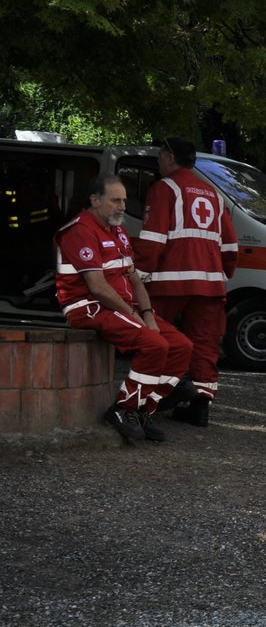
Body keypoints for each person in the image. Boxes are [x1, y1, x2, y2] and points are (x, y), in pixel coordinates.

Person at [54, 175, 192, 443]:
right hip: (91, 308)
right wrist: (134, 316)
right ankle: (123, 409)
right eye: (115, 200)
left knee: (182, 346)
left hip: (120, 307)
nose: (122, 206)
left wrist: (148, 314)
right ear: (95, 201)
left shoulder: (117, 231)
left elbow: (134, 279)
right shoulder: (80, 230)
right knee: (155, 345)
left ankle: (143, 410)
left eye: (124, 200)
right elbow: (97, 287)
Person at [133, 136, 236, 427]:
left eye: (159, 156)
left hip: (170, 280)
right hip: (210, 283)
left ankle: (154, 396)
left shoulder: (163, 188)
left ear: (168, 157)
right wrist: (222, 272)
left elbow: (153, 240)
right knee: (205, 344)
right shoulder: (214, 194)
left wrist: (138, 276)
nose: (157, 162)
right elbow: (230, 245)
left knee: (155, 337)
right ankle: (200, 406)